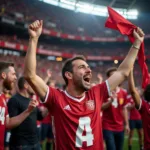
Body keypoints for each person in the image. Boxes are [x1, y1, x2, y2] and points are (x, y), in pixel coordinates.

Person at [24, 20, 144, 150]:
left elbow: (122, 72)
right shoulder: (56, 98)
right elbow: (30, 75)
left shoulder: (96, 93)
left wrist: (137, 43)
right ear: (69, 75)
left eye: (88, 67)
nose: (89, 70)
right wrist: (33, 39)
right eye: (82, 67)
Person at [0, 62, 38, 150]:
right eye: (13, 74)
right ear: (3, 75)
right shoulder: (11, 99)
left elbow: (8, 123)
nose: (15, 77)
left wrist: (28, 110)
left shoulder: (3, 98)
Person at [8, 77, 45, 150]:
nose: (35, 87)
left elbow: (40, 116)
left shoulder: (31, 100)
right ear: (26, 85)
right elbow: (10, 124)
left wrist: (49, 107)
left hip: (35, 143)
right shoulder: (14, 100)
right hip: (21, 145)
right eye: (32, 84)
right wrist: (28, 111)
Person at [102, 67, 130, 150]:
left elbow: (124, 109)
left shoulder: (123, 92)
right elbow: (101, 108)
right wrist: (111, 101)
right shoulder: (104, 92)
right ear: (108, 78)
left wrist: (127, 124)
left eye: (116, 76)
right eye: (112, 76)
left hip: (120, 127)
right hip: (107, 126)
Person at [128, 69, 149, 150]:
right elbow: (132, 91)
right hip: (133, 119)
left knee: (141, 134)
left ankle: (141, 147)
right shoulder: (144, 105)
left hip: (139, 119)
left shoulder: (143, 104)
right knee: (131, 135)